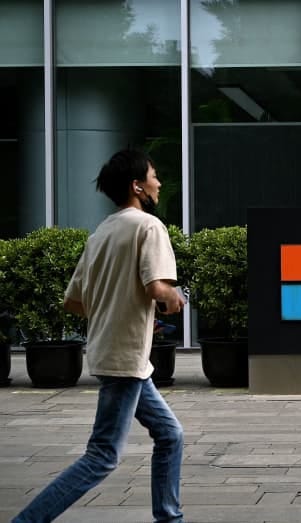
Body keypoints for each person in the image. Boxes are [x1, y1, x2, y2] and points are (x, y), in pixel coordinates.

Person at [13, 149, 187, 523]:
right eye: (154, 176)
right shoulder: (148, 227)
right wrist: (176, 297)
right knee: (103, 455)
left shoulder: (102, 232)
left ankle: (169, 518)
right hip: (125, 359)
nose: (158, 183)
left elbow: (73, 303)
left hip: (118, 354)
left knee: (170, 435)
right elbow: (158, 288)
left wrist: (120, 306)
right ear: (137, 186)